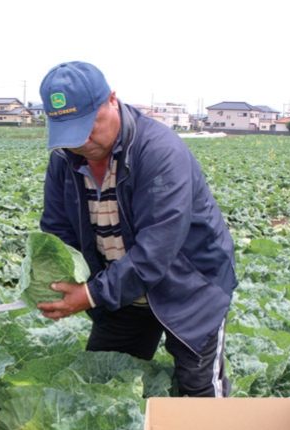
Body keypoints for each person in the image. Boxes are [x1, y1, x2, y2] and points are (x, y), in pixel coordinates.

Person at [35, 61, 238, 397]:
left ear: (112, 100)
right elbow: (58, 231)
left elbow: (156, 250)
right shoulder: (63, 161)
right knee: (100, 387)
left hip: (188, 287)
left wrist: (88, 295)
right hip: (120, 291)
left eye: (88, 126)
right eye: (70, 133)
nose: (82, 142)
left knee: (199, 392)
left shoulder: (159, 152)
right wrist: (58, 282)